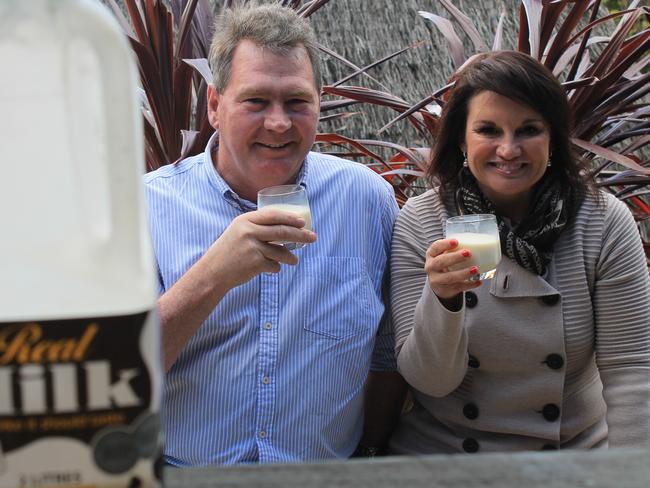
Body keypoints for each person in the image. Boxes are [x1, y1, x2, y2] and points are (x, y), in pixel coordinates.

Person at [144, 4, 404, 466]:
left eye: (297, 102)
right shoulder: (149, 207)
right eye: (256, 101)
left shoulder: (366, 201)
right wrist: (213, 276)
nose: (279, 123)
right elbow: (117, 374)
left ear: (319, 103)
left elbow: (387, 353)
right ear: (214, 105)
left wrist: (370, 451)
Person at [388, 50, 650, 454]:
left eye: (528, 130)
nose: (508, 150)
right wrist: (442, 300)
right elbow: (429, 381)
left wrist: (630, 474)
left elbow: (632, 369)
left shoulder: (601, 221)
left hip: (571, 456)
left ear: (553, 140)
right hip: (447, 458)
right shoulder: (422, 222)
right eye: (489, 130)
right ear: (462, 139)